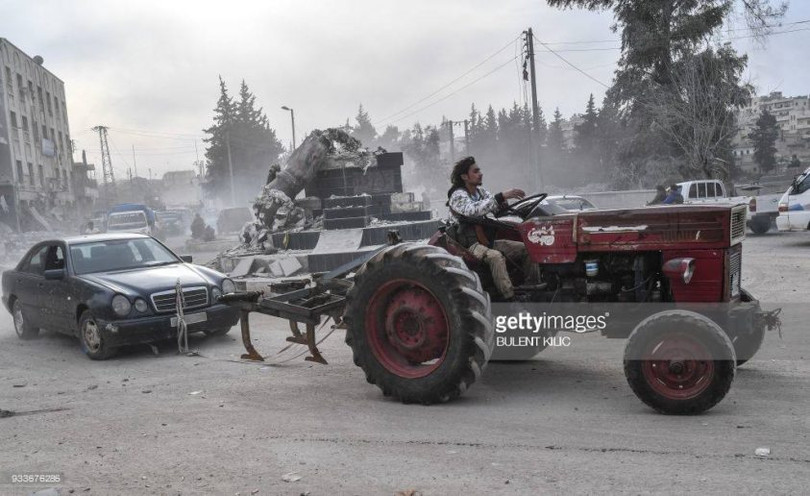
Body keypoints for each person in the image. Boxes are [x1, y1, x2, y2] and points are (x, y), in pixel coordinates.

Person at [446, 156, 538, 301]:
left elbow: (495, 208)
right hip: (468, 245)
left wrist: (505, 205)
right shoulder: (458, 195)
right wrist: (501, 196)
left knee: (527, 248)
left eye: (479, 170)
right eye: (475, 171)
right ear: (464, 176)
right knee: (496, 257)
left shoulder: (481, 192)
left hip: (486, 241)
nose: (480, 173)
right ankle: (510, 299)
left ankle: (534, 290)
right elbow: (472, 210)